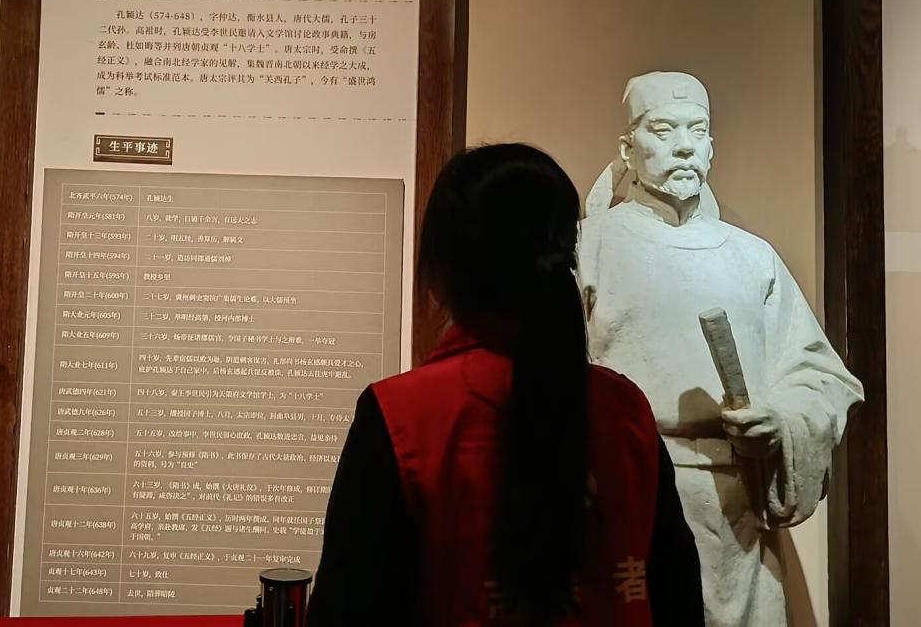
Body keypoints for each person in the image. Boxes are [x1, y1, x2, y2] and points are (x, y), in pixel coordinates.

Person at [307, 144, 703, 626]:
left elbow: (348, 609)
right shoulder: (624, 411)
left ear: (441, 272)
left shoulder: (402, 417)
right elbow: (677, 599)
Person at [577, 72, 864, 626]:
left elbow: (819, 375)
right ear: (628, 149)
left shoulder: (752, 258)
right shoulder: (590, 247)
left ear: (711, 146)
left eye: (697, 130)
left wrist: (780, 420)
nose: (684, 145)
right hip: (625, 503)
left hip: (737, 516)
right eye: (664, 130)